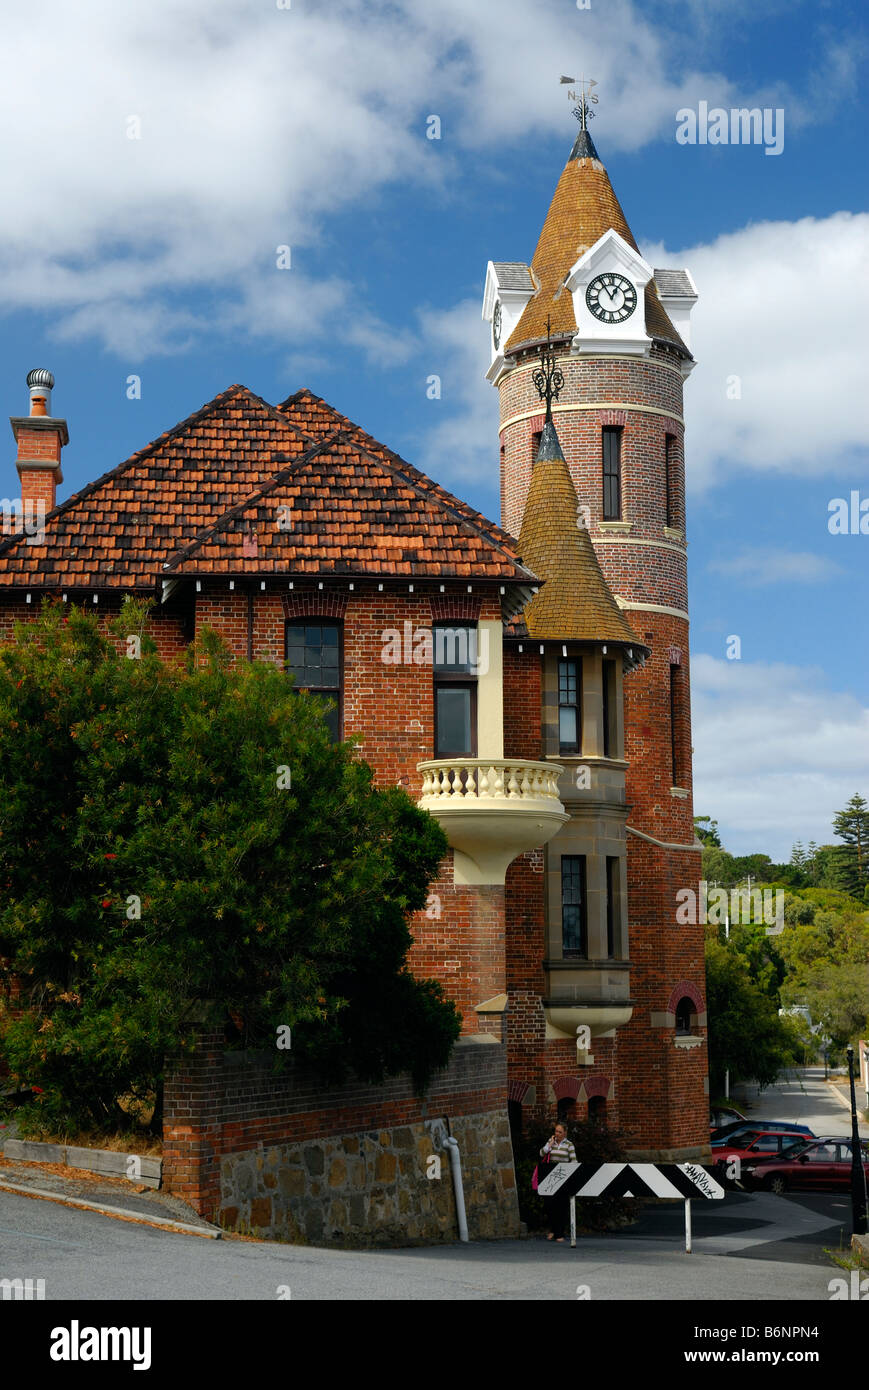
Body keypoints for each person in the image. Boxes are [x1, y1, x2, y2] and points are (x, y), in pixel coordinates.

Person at [540, 1121, 577, 1242]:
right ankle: (552, 1229)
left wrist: (569, 1171)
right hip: (551, 1178)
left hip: (563, 1177)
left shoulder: (569, 1145)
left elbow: (574, 1161)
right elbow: (541, 1153)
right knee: (550, 1205)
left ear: (565, 1133)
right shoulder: (551, 1142)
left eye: (560, 1132)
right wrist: (549, 1144)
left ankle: (559, 1233)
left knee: (561, 1206)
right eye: (556, 1131)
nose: (557, 1134)